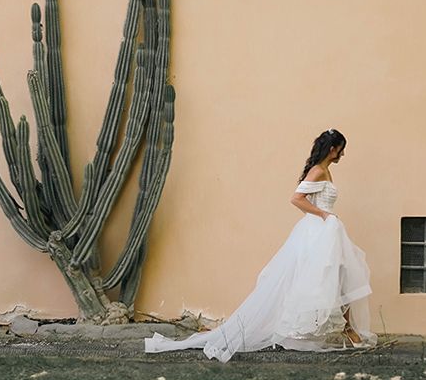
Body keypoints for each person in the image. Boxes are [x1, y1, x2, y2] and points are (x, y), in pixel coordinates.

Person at [145, 128, 376, 362]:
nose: (343, 154)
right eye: (342, 149)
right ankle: (334, 329)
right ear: (333, 148)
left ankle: (343, 328)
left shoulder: (325, 170)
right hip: (320, 229)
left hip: (327, 230)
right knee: (329, 275)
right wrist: (323, 215)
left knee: (339, 274)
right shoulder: (318, 171)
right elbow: (296, 198)